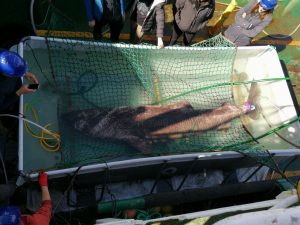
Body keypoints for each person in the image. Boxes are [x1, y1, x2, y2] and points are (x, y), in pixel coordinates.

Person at [0, 50, 39, 137]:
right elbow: (1, 107)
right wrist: (19, 92)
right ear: (7, 74)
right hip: (7, 102)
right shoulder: (2, 88)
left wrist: (24, 73)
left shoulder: (2, 54)